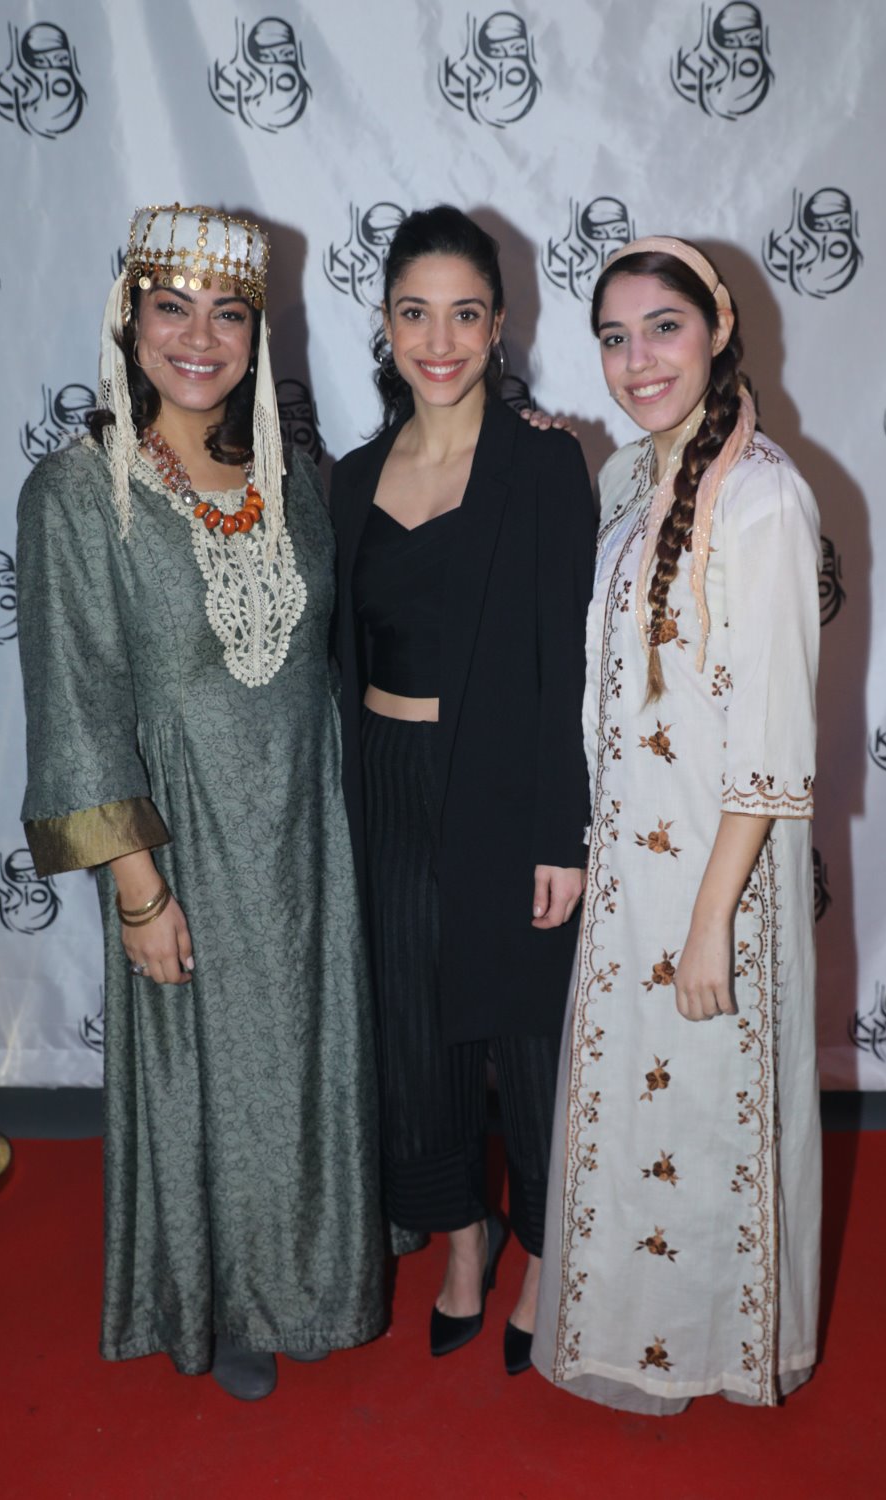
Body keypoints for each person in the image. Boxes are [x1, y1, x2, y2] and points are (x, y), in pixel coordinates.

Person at [16, 204, 385, 1400]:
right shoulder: (80, 492)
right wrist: (138, 891)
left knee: (307, 1060)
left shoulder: (291, 479)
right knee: (204, 1072)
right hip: (182, 835)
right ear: (129, 319)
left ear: (256, 335)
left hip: (309, 830)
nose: (200, 338)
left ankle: (312, 1278)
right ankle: (216, 1299)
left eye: (229, 314)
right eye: (172, 308)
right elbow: (76, 702)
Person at [532, 236, 821, 1412]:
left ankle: (718, 1351)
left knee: (707, 1113)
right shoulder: (628, 483)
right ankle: (633, 1338)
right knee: (638, 1107)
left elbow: (773, 742)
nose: (638, 358)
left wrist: (710, 922)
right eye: (614, 337)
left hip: (718, 879)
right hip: (629, 877)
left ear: (718, 331)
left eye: (663, 327)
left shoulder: (763, 500)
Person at [331, 206, 596, 1375]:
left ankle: (542, 1252)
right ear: (385, 324)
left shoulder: (543, 462)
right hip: (384, 788)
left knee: (527, 1041)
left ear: (498, 326)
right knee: (413, 1034)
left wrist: (559, 832)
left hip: (504, 784)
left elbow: (568, 668)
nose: (438, 341)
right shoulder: (348, 481)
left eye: (465, 313)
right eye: (414, 313)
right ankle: (461, 1236)